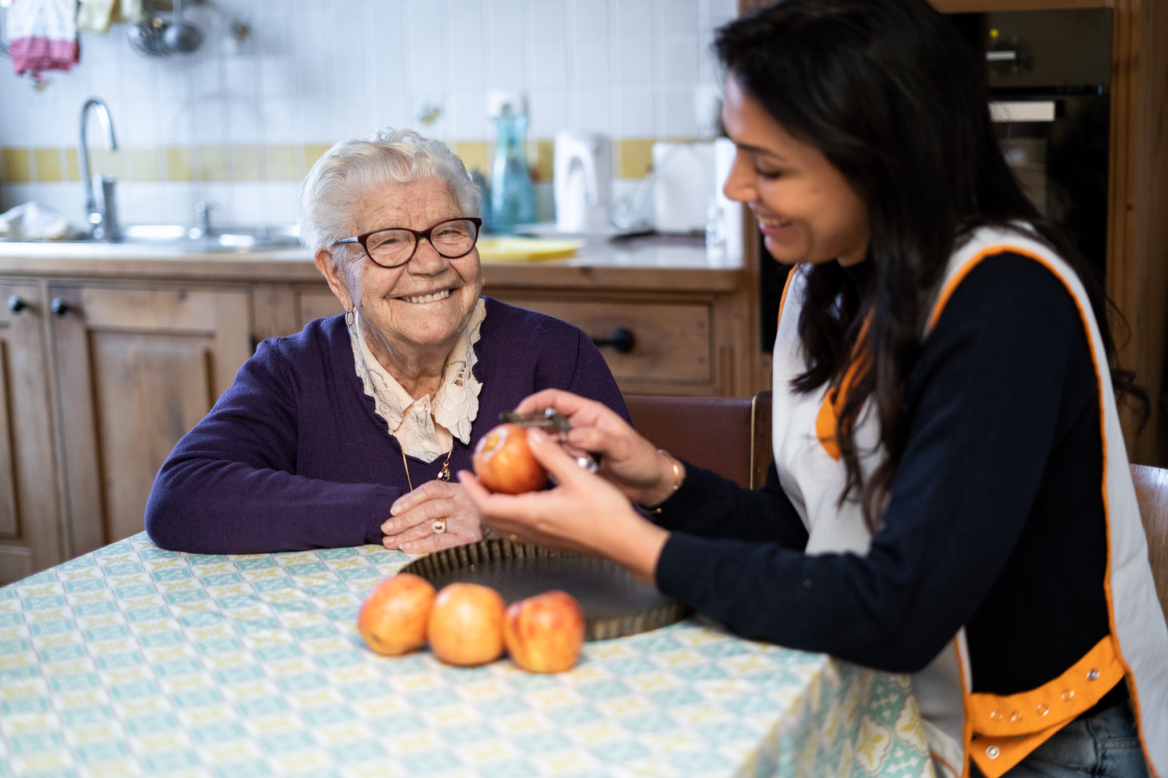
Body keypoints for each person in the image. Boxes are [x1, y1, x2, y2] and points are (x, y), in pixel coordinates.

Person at [458, 2, 1168, 777]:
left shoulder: (1001, 302)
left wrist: (630, 542)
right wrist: (658, 477)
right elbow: (810, 539)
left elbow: (897, 607)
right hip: (904, 709)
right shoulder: (822, 285)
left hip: (1043, 748)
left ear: (880, 159)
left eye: (768, 166)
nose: (733, 187)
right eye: (734, 150)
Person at [145, 128, 628, 556]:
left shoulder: (555, 354)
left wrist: (499, 519)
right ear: (336, 274)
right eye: (390, 241)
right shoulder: (293, 371)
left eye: (450, 231)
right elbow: (181, 498)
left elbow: (631, 515)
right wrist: (395, 510)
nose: (430, 263)